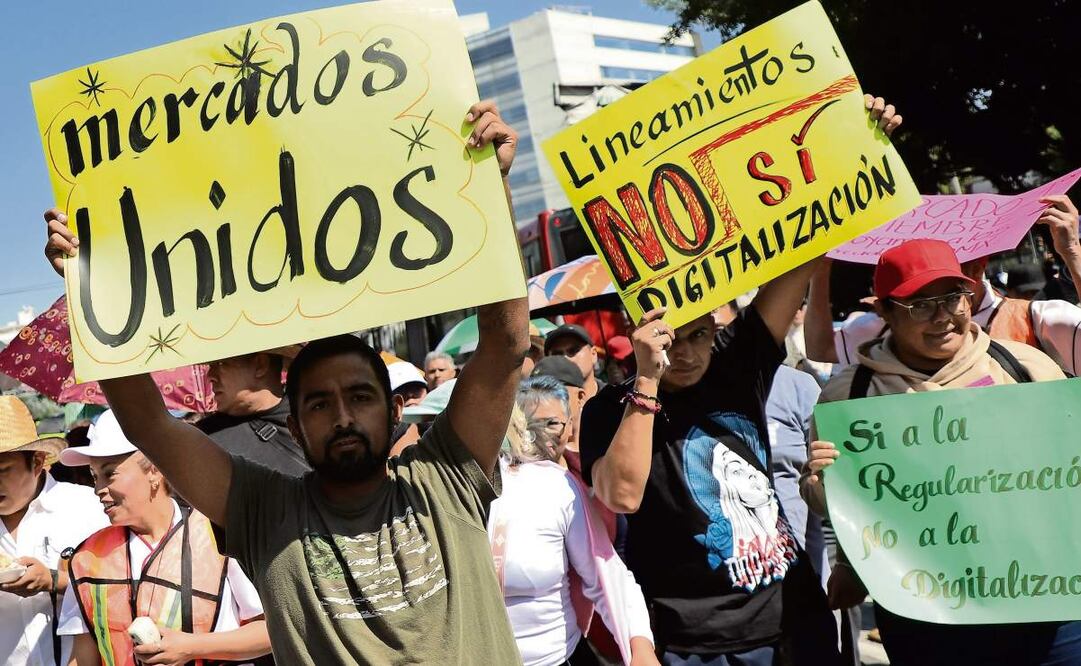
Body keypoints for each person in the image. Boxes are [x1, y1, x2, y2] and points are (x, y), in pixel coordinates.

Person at [43, 100, 526, 664]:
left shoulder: (445, 476)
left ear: (395, 412)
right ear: (294, 426)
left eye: (360, 396)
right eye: (319, 404)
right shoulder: (266, 510)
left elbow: (505, 344)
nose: (343, 415)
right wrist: (89, 287)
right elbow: (148, 423)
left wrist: (489, 188)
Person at [578, 92, 902, 666]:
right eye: (670, 338)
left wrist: (851, 142)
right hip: (693, 644)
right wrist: (647, 382)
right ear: (639, 334)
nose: (687, 352)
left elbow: (801, 252)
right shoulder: (609, 407)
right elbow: (622, 494)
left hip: (791, 625)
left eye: (699, 334)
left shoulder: (737, 361)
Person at [801, 238, 1081, 666]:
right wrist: (823, 497)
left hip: (1047, 608)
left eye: (953, 298)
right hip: (926, 613)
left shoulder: (1025, 369)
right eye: (920, 304)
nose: (943, 317)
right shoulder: (848, 398)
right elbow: (849, 506)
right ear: (885, 311)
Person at [57, 410, 271, 666]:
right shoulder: (87, 557)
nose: (98, 489)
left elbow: (269, 630)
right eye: (93, 476)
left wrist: (190, 647)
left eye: (109, 473)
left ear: (155, 470)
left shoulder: (218, 535)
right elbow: (82, 657)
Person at [805, 195, 1081, 376]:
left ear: (978, 266)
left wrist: (1073, 254)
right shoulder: (895, 325)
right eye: (921, 303)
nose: (940, 316)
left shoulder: (1036, 319)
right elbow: (820, 350)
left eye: (950, 286)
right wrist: (820, 272)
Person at [489, 376, 657, 666]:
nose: (541, 434)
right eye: (531, 424)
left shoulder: (563, 487)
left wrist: (639, 645)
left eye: (553, 423)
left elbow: (607, 573)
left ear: (569, 426)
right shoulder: (451, 485)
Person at [0, 396, 108, 666]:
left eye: (2, 470)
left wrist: (54, 581)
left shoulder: (88, 508)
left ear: (37, 463)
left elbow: (121, 589)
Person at [195, 349, 309, 477]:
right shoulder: (198, 441)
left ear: (261, 365)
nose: (210, 376)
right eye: (211, 365)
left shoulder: (315, 421)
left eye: (221, 363)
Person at [545, 324, 605, 400]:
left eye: (573, 351)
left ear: (593, 354)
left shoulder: (616, 399)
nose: (566, 358)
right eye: (557, 354)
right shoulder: (544, 405)